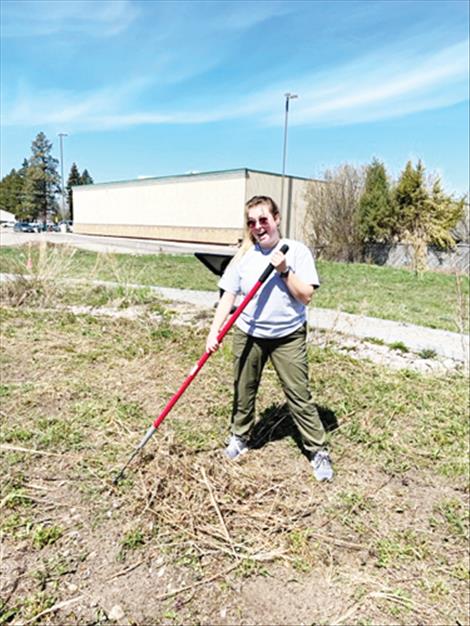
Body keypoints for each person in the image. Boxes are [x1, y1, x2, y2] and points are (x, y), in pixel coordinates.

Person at [206, 195, 333, 481]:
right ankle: (240, 437)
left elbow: (307, 296)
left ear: (276, 219)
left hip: (287, 336)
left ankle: (318, 449)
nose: (259, 227)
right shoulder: (244, 256)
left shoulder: (296, 251)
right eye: (252, 222)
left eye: (264, 219)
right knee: (243, 388)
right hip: (248, 333)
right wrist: (214, 331)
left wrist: (284, 271)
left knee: (299, 395)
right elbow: (228, 295)